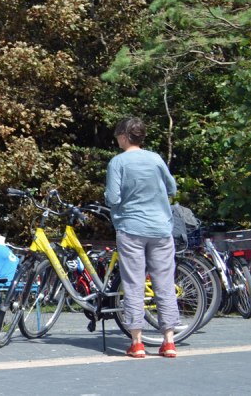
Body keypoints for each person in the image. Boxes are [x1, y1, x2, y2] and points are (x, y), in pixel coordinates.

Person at [105, 116, 180, 358]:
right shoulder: (156, 158)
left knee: (133, 284)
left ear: (126, 136)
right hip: (160, 229)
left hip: (131, 229)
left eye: (118, 135)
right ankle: (168, 341)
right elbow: (172, 188)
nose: (117, 139)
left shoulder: (118, 163)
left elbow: (113, 198)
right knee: (165, 283)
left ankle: (137, 343)